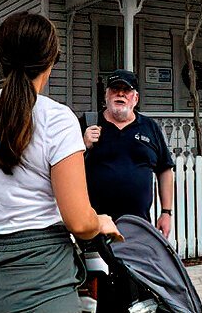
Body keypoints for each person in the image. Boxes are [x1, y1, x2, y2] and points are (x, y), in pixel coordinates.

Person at [0, 12, 122, 312]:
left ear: (0, 58)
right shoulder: (57, 119)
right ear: (51, 60)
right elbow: (80, 222)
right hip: (40, 273)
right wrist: (101, 222)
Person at [80, 69, 175, 313]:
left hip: (136, 226)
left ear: (135, 97)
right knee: (99, 294)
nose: (120, 94)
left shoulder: (150, 127)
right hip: (95, 227)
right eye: (115, 89)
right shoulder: (88, 123)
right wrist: (83, 145)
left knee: (135, 288)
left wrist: (166, 212)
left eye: (126, 90)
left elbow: (165, 170)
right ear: (106, 95)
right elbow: (63, 168)